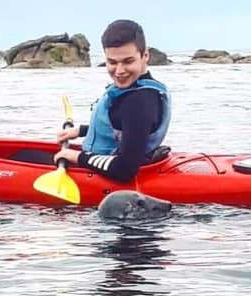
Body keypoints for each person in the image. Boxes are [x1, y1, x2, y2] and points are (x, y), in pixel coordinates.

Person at [54, 19, 171, 182]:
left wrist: (77, 156)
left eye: (128, 61)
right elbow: (124, 129)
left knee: (24, 157)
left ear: (145, 55)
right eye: (112, 62)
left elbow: (125, 170)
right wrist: (80, 131)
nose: (120, 71)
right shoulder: (135, 90)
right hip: (100, 161)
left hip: (107, 173)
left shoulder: (138, 102)